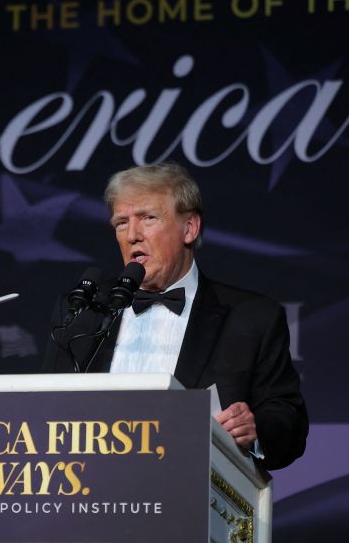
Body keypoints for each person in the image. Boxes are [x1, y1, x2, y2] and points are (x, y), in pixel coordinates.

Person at [43, 163, 308, 471]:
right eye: (121, 223)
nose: (132, 235)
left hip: (193, 487)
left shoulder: (251, 317)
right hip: (89, 486)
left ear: (189, 228)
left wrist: (255, 429)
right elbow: (44, 412)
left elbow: (288, 419)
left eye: (148, 218)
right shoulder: (83, 311)